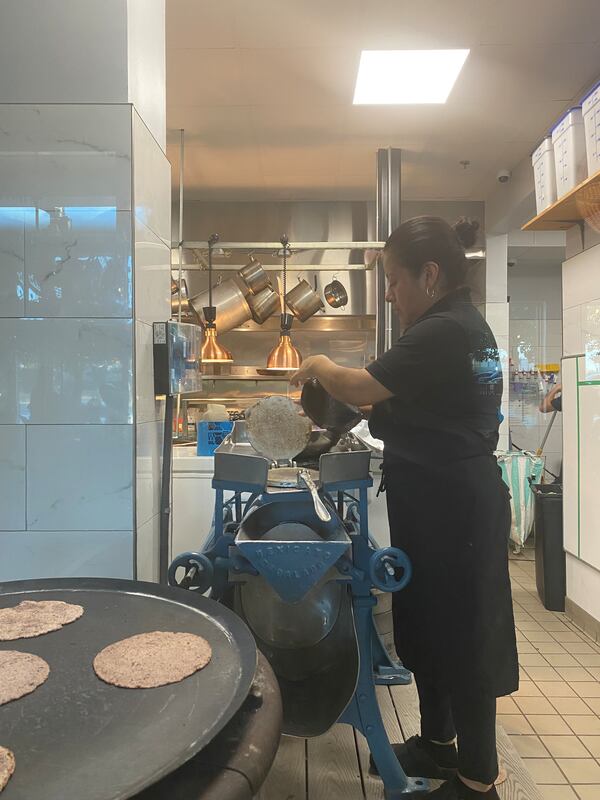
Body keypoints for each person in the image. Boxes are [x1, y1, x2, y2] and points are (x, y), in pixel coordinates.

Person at [290, 216, 518, 800]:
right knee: (429, 626)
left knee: (462, 635)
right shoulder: (463, 328)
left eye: (394, 279)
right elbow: (418, 408)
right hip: (439, 500)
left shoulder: (445, 329)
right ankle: (438, 745)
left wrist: (316, 363)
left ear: (431, 274)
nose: (389, 292)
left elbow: (362, 386)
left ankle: (478, 778)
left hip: (456, 508)